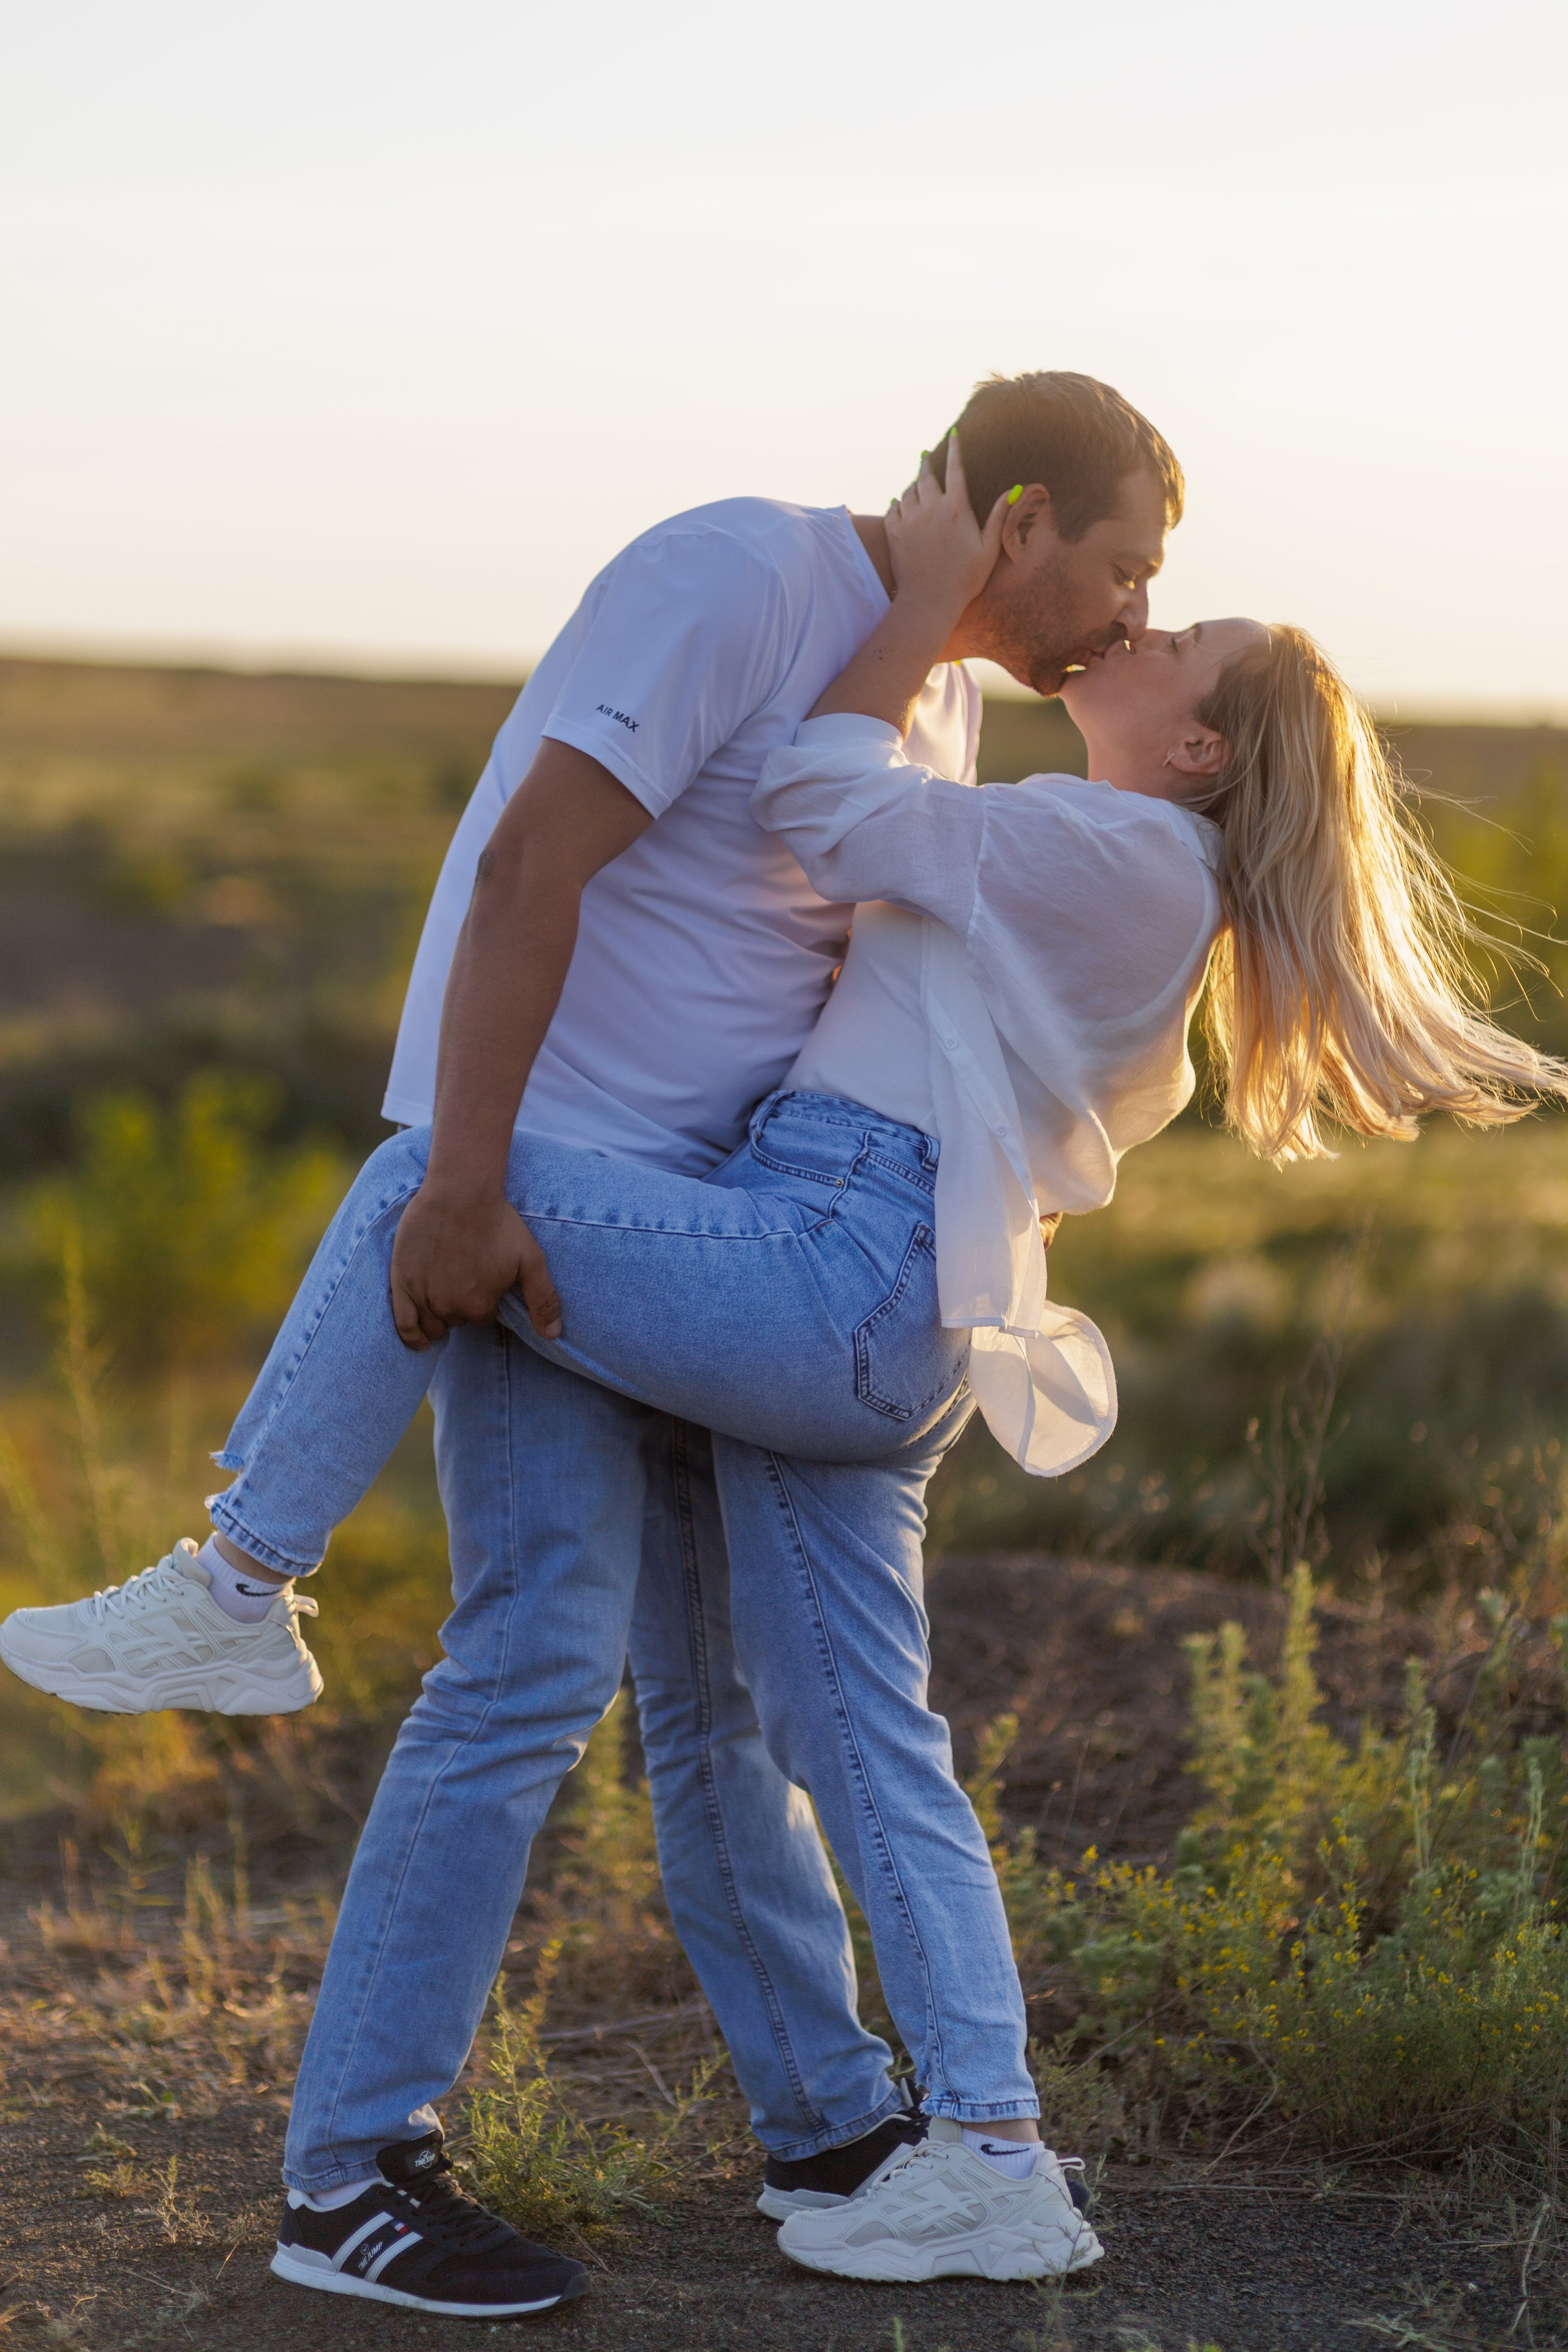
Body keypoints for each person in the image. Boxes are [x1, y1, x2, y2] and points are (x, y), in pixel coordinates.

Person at [1, 376, 1179, 2316]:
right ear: (1027, 516)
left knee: (704, 1709)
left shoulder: (935, 694)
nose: (1128, 615)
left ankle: (826, 2124)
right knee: (534, 1660)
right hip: (551, 1207)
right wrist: (464, 1182)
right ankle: (353, 2171)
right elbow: (533, 860)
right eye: (1126, 565)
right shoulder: (733, 574)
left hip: (707, 1243)